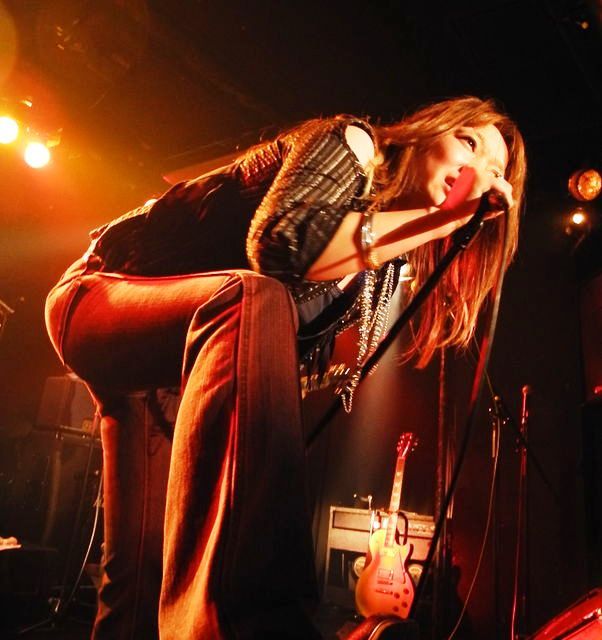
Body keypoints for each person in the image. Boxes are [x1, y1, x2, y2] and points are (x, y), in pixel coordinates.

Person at [44, 96, 526, 639]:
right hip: (103, 294)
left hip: (173, 376)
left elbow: (276, 356)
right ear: (425, 130)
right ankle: (255, 611)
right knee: (251, 297)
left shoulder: (383, 272)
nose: (477, 170)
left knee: (138, 574)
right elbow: (282, 246)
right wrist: (440, 219)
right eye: (468, 142)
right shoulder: (355, 144)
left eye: (494, 170)